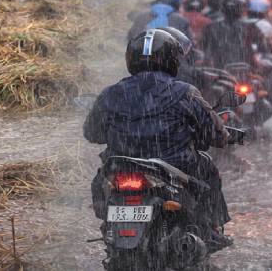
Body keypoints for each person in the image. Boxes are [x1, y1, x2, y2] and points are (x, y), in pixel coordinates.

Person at [84, 28, 232, 248]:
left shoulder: (111, 93)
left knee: (100, 180)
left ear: (130, 59)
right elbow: (217, 135)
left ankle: (111, 228)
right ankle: (212, 229)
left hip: (122, 164)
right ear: (173, 60)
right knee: (208, 167)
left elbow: (92, 133)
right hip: (174, 165)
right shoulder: (185, 92)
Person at [200, 0, 267, 68]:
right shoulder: (250, 27)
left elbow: (202, 46)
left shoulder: (211, 26)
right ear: (241, 10)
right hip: (244, 68)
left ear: (223, 9)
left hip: (219, 69)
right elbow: (263, 47)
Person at [126, 0, 194, 43]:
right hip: (169, 55)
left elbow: (130, 38)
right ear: (177, 3)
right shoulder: (181, 20)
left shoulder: (141, 16)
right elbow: (189, 44)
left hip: (141, 55)